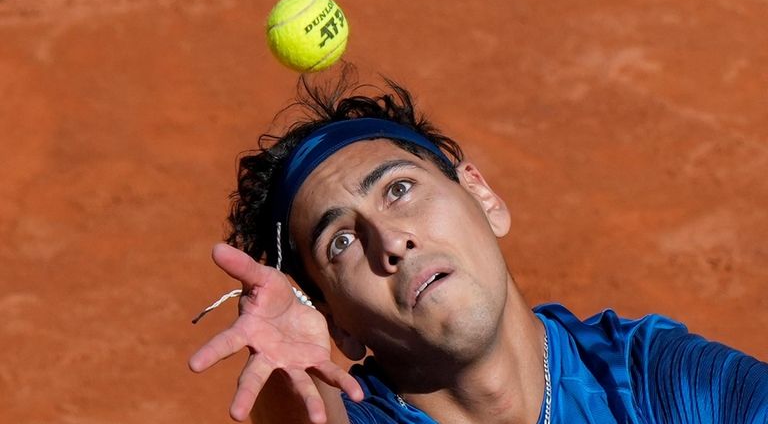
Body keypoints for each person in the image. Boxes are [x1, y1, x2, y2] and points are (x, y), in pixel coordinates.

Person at [189, 67, 768, 424]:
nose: (390, 240)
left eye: (399, 189)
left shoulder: (653, 382)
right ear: (339, 326)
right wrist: (293, 391)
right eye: (341, 241)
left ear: (483, 196)